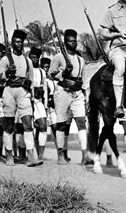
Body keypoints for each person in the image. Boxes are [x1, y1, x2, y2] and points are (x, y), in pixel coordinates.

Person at [0, 29, 42, 167]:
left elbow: (30, 81)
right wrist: (7, 72)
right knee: (9, 126)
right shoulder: (5, 59)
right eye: (16, 42)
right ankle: (9, 156)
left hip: (23, 92)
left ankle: (31, 157)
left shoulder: (27, 60)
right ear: (11, 43)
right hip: (9, 91)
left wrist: (30, 93)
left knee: (28, 124)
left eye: (21, 42)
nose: (19, 44)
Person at [49, 29, 92, 165]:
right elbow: (51, 73)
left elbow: (84, 79)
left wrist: (85, 95)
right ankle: (61, 155)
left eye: (74, 41)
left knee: (81, 122)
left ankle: (85, 155)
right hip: (63, 92)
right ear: (65, 42)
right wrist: (63, 73)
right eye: (70, 41)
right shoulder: (59, 57)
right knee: (61, 124)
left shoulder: (80, 59)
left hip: (77, 93)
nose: (73, 43)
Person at [28, 47, 49, 161]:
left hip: (39, 101)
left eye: (36, 58)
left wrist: (45, 106)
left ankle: (41, 154)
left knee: (43, 126)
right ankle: (30, 154)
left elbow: (44, 89)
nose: (34, 60)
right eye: (31, 58)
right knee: (28, 128)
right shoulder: (27, 70)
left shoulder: (42, 72)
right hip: (28, 101)